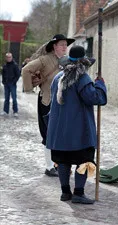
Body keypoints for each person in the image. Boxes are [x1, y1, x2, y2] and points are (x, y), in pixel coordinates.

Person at [46, 45, 107, 204]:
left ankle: (65, 192)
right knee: (83, 160)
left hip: (60, 131)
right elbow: (96, 98)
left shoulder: (57, 77)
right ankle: (78, 193)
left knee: (63, 160)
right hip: (79, 131)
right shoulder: (83, 79)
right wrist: (100, 85)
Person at [22, 34, 75, 177]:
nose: (65, 47)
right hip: (47, 102)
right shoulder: (44, 60)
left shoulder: (67, 61)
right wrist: (28, 89)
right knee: (48, 135)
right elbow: (26, 70)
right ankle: (49, 166)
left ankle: (58, 164)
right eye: (62, 44)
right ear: (54, 46)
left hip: (62, 103)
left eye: (66, 44)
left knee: (60, 135)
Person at [0, 53, 20, 117]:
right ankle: (5, 111)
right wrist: (3, 81)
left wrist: (14, 81)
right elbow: (3, 74)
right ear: (6, 58)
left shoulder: (15, 65)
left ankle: (15, 111)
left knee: (14, 98)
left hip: (12, 84)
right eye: (7, 57)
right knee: (6, 98)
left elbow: (18, 74)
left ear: (11, 57)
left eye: (10, 57)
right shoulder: (5, 65)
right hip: (6, 84)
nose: (9, 58)